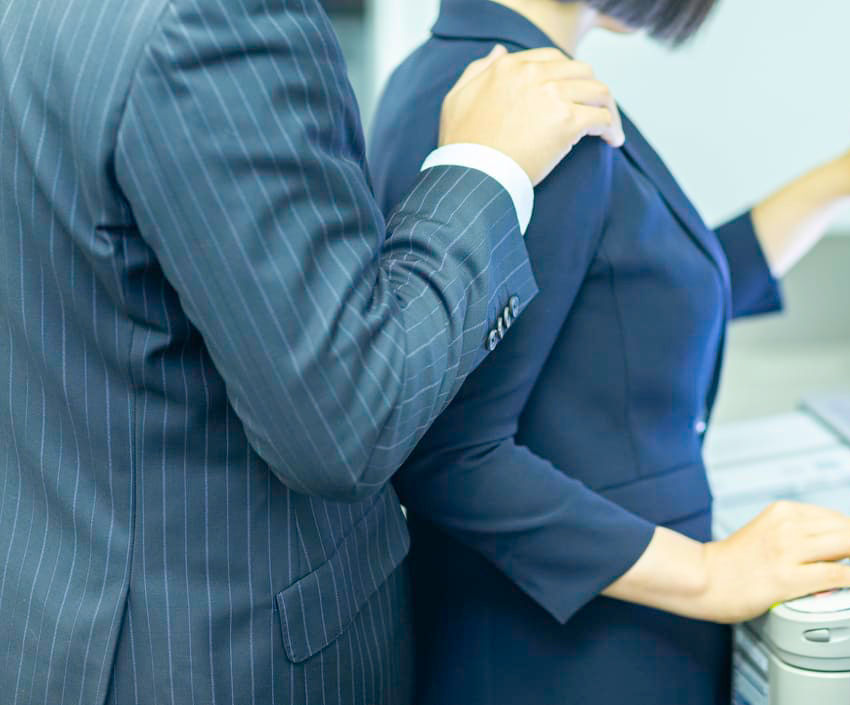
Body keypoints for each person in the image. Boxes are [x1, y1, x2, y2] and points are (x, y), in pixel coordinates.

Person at [0, 0, 630, 703]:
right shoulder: (212, 20)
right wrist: (485, 170)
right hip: (213, 654)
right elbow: (345, 419)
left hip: (56, 608)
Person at [367, 0, 850, 703]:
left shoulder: (454, 71)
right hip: (580, 652)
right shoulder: (535, 106)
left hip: (544, 630)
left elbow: (629, 297)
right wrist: (711, 572)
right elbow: (448, 453)